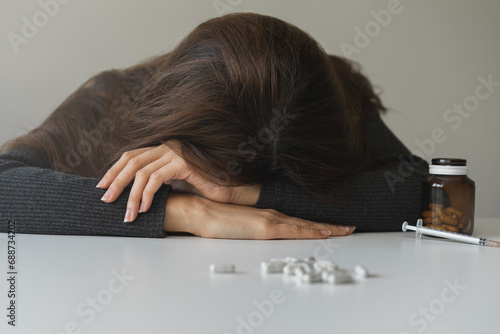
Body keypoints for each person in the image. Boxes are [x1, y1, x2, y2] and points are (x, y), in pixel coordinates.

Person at [0, 13, 427, 239]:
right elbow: (5, 187)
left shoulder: (321, 96)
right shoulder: (111, 101)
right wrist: (189, 212)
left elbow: (421, 191)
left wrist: (243, 193)